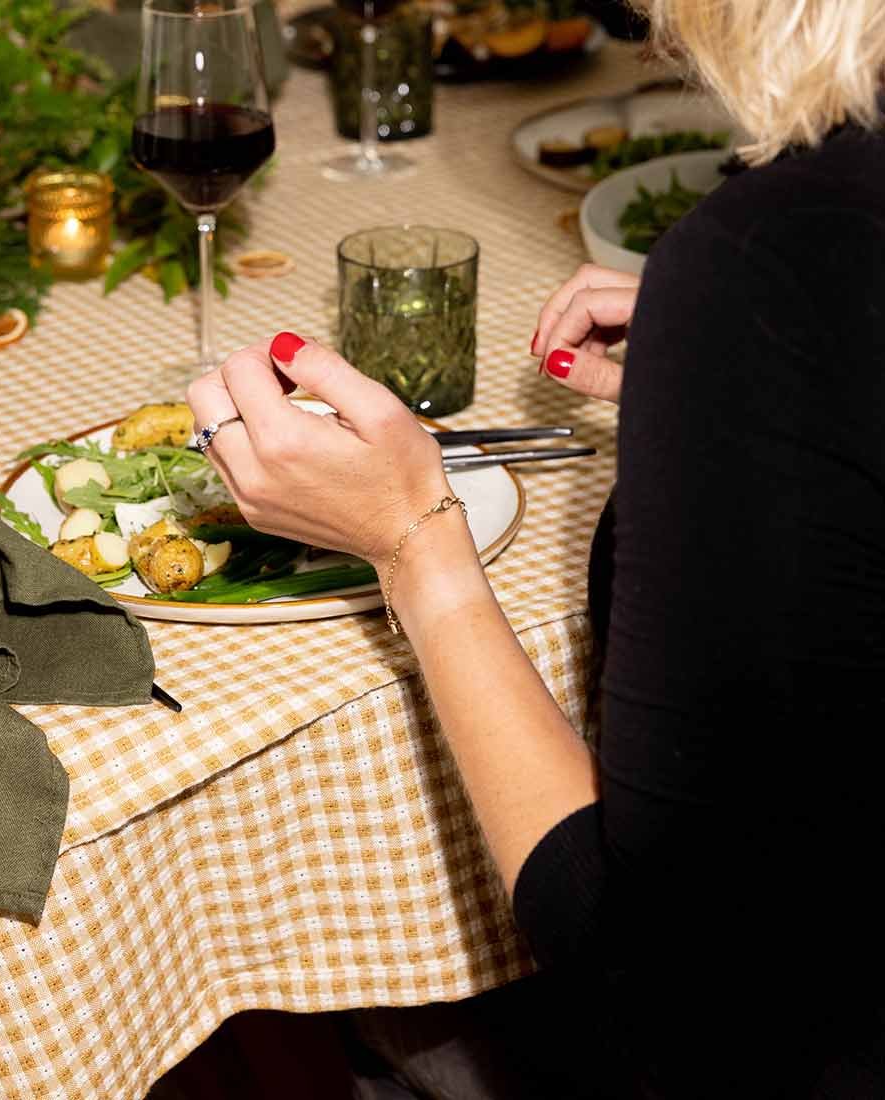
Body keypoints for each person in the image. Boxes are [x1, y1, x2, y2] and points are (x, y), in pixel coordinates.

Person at [187, 0, 885, 1094]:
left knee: (349, 1016)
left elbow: (660, 986)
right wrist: (753, 379)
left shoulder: (773, 264)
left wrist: (414, 543)